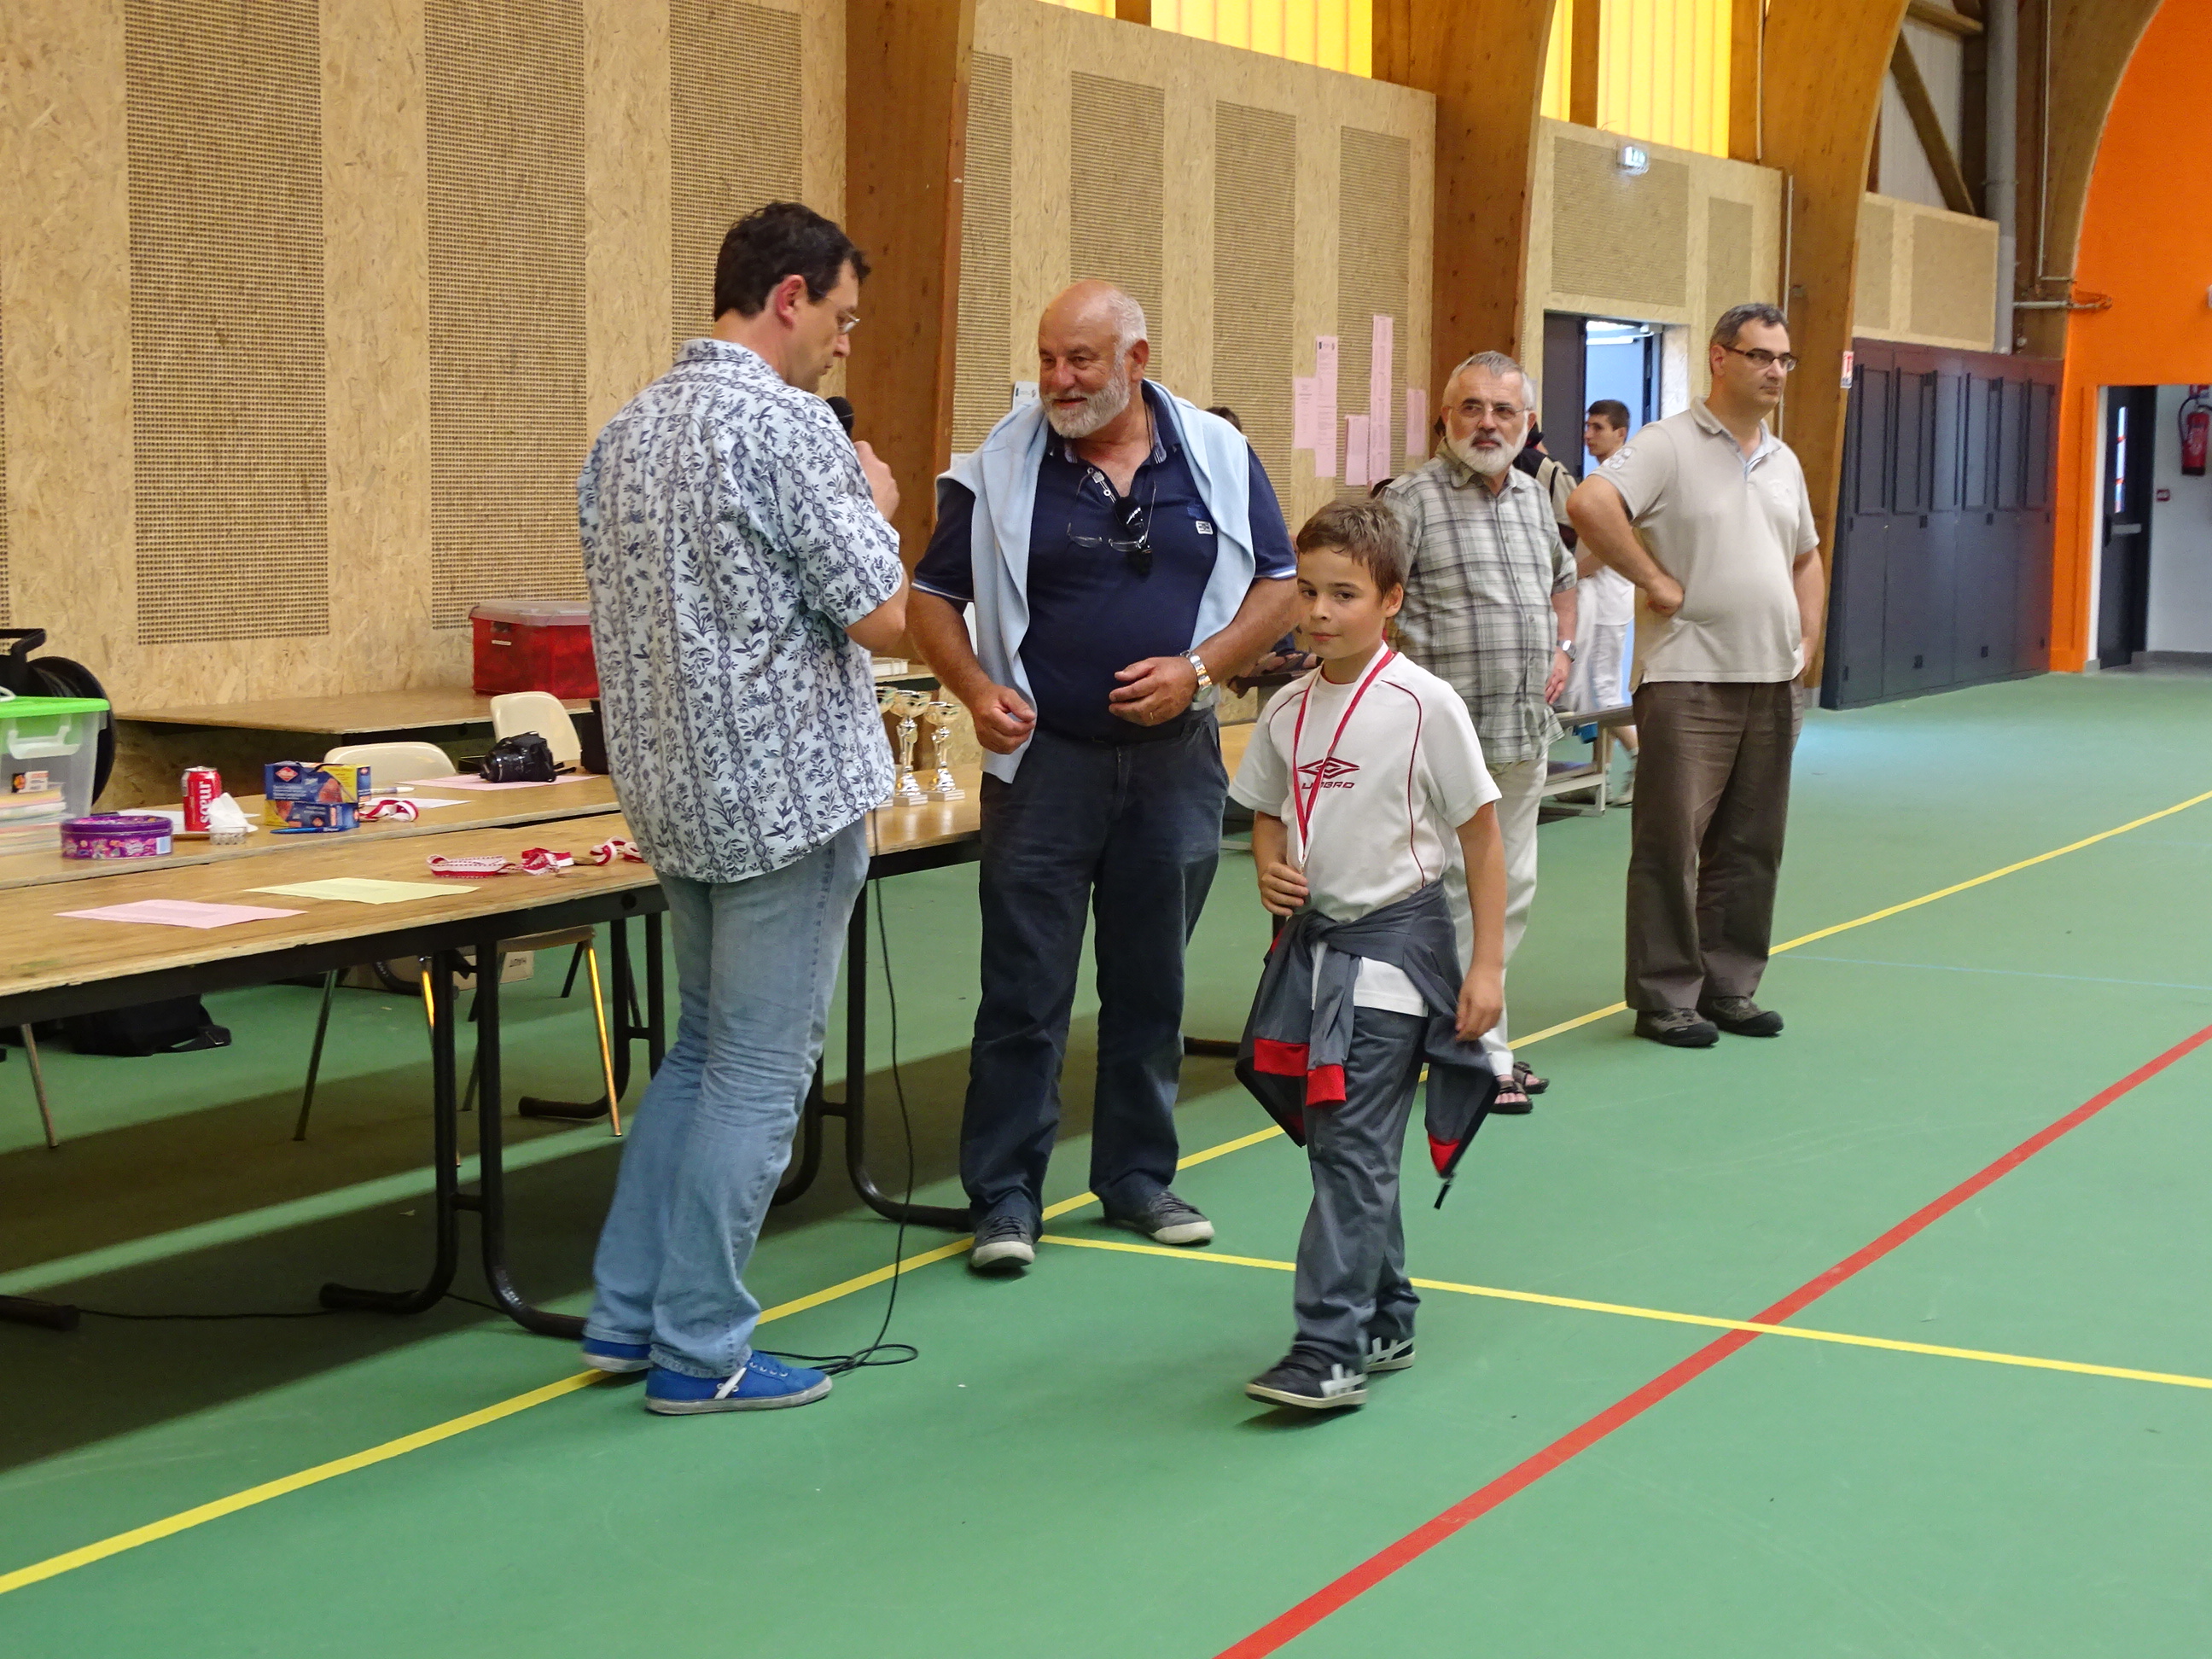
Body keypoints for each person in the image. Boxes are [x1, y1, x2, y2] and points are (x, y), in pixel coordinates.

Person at [576, 202, 909, 1413]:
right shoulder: (791, 427)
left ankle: (625, 1316)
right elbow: (884, 615)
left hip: (674, 796)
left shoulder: (625, 432)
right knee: (760, 1074)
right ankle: (699, 1345)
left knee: (700, 1054)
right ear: (789, 298)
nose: (844, 344)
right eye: (841, 317)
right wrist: (875, 504)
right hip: (786, 801)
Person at [908, 281, 1302, 1272]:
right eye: (1047, 359)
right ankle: (1005, 1197)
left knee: (1150, 984)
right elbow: (930, 600)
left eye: (1080, 360)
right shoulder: (998, 467)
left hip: (1175, 767)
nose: (1059, 380)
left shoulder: (1216, 453)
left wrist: (1198, 671)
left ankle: (1135, 1177)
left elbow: (1281, 585)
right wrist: (973, 689)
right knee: (1023, 992)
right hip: (1042, 768)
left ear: (1135, 359)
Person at [1227, 499, 1507, 1410]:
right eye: (1307, 591)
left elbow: (1482, 838)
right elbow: (1268, 812)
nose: (1319, 611)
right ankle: (1387, 1313)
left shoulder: (1426, 705)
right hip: (1312, 956)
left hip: (1393, 959)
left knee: (1350, 1144)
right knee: (1341, 1147)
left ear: (1391, 600)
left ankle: (1329, 1349)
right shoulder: (1286, 707)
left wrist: (1487, 968)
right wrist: (1269, 866)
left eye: (1343, 594)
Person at [1566, 303, 1825, 1048]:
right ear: (1719, 357)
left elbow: (1806, 555)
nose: (1775, 371)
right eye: (1760, 356)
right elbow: (1590, 503)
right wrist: (1654, 578)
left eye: (1784, 359)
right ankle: (1665, 997)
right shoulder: (1668, 445)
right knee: (1671, 842)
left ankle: (1729, 986)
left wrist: (1807, 637)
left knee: (1752, 843)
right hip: (1688, 676)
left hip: (1772, 680)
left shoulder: (1783, 460)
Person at [1382, 352, 1575, 1114]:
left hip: (1523, 734)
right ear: (1445, 416)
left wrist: (1561, 649)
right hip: (1444, 748)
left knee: (1509, 893)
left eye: (1503, 410)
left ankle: (1482, 1039)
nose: (1487, 423)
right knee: (1454, 897)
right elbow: (1371, 605)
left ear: (1528, 422)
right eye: (1471, 407)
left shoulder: (1533, 498)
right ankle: (1471, 1053)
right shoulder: (1410, 501)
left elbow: (1563, 581)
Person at [1567, 399, 1640, 796]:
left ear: (1620, 434)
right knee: (1597, 687)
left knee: (1602, 688)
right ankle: (1600, 776)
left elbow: (1613, 546)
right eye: (1587, 426)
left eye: (1598, 427)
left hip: (1609, 597)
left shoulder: (1622, 482)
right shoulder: (1601, 477)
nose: (1588, 434)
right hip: (1595, 594)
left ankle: (1642, 758)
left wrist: (1571, 574)